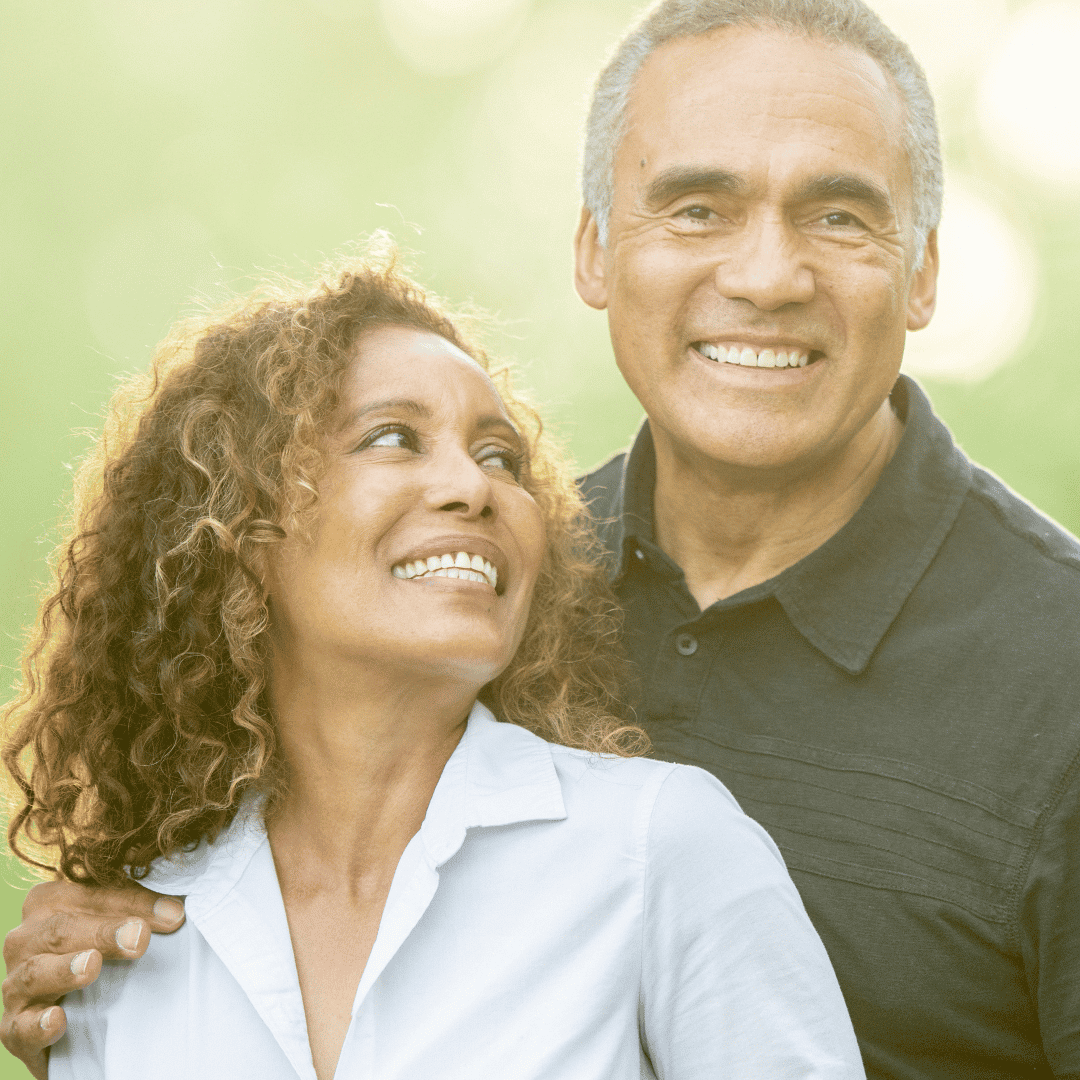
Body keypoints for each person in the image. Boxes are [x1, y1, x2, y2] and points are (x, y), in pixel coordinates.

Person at [4, 0, 1080, 1076]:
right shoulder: (477, 592)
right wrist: (96, 979)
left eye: (839, 217)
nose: (765, 277)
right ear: (596, 251)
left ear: (925, 270)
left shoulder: (1056, 668)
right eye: (698, 208)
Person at [0, 259, 863, 1079]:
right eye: (392, 438)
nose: (473, 487)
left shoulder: (659, 850)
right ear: (237, 527)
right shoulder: (122, 943)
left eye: (500, 457)